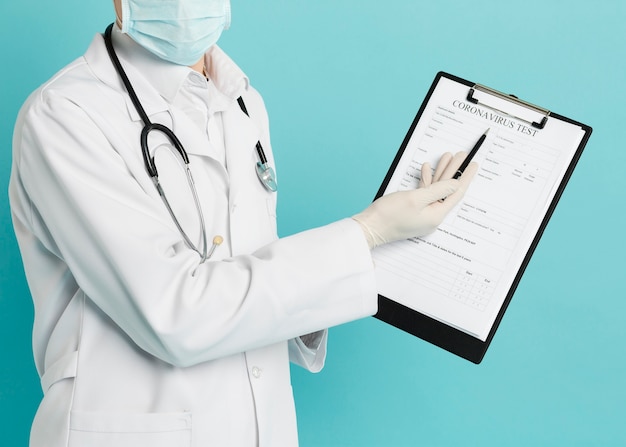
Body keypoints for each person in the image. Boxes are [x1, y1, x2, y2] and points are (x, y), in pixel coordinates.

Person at [8, 1, 477, 445]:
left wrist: (387, 242)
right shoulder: (65, 115)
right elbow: (175, 314)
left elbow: (248, 277)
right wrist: (364, 234)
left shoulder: (242, 101)